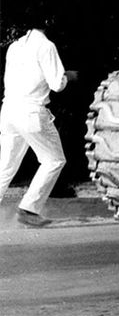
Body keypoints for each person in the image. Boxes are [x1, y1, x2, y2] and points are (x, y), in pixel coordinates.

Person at [1, 21, 73, 227]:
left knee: (6, 164)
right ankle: (29, 208)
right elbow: (57, 84)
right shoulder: (46, 46)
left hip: (8, 110)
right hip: (31, 111)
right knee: (54, 160)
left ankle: (28, 208)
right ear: (49, 23)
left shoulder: (14, 47)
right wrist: (69, 76)